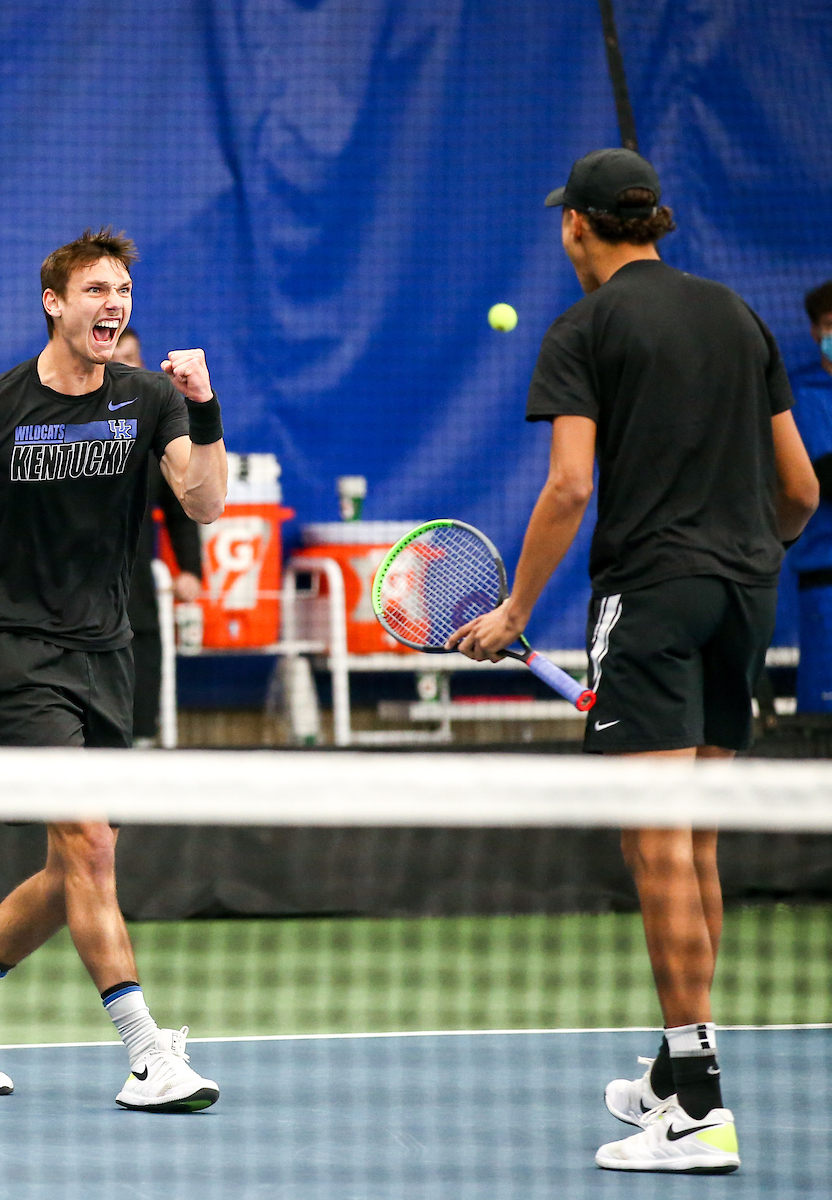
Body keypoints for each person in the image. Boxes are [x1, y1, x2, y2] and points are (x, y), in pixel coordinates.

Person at [448, 149, 818, 1172]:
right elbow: (800, 491)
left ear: (578, 228)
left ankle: (698, 1109)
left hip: (652, 598)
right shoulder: (741, 318)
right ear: (652, 222)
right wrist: (742, 558)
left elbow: (569, 487)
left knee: (657, 848)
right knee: (691, 843)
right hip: (747, 594)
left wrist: (515, 608)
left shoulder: (584, 328)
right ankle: (674, 1069)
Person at [0, 228, 228, 1112]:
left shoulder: (151, 398)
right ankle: (147, 1053)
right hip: (15, 650)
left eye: (122, 290)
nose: (113, 304)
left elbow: (206, 502)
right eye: (94, 290)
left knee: (73, 866)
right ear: (55, 303)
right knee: (89, 843)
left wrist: (206, 407)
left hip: (107, 649)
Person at [112, 328, 203, 745]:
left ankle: (143, 740)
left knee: (142, 650)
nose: (129, 366)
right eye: (119, 356)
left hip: (136, 588)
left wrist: (189, 569)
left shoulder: (159, 428)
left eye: (135, 357)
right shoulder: (68, 422)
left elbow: (185, 508)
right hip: (73, 594)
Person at [787, 281, 832, 712]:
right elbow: (816, 480)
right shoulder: (797, 391)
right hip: (824, 575)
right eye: (830, 325)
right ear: (816, 331)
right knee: (822, 725)